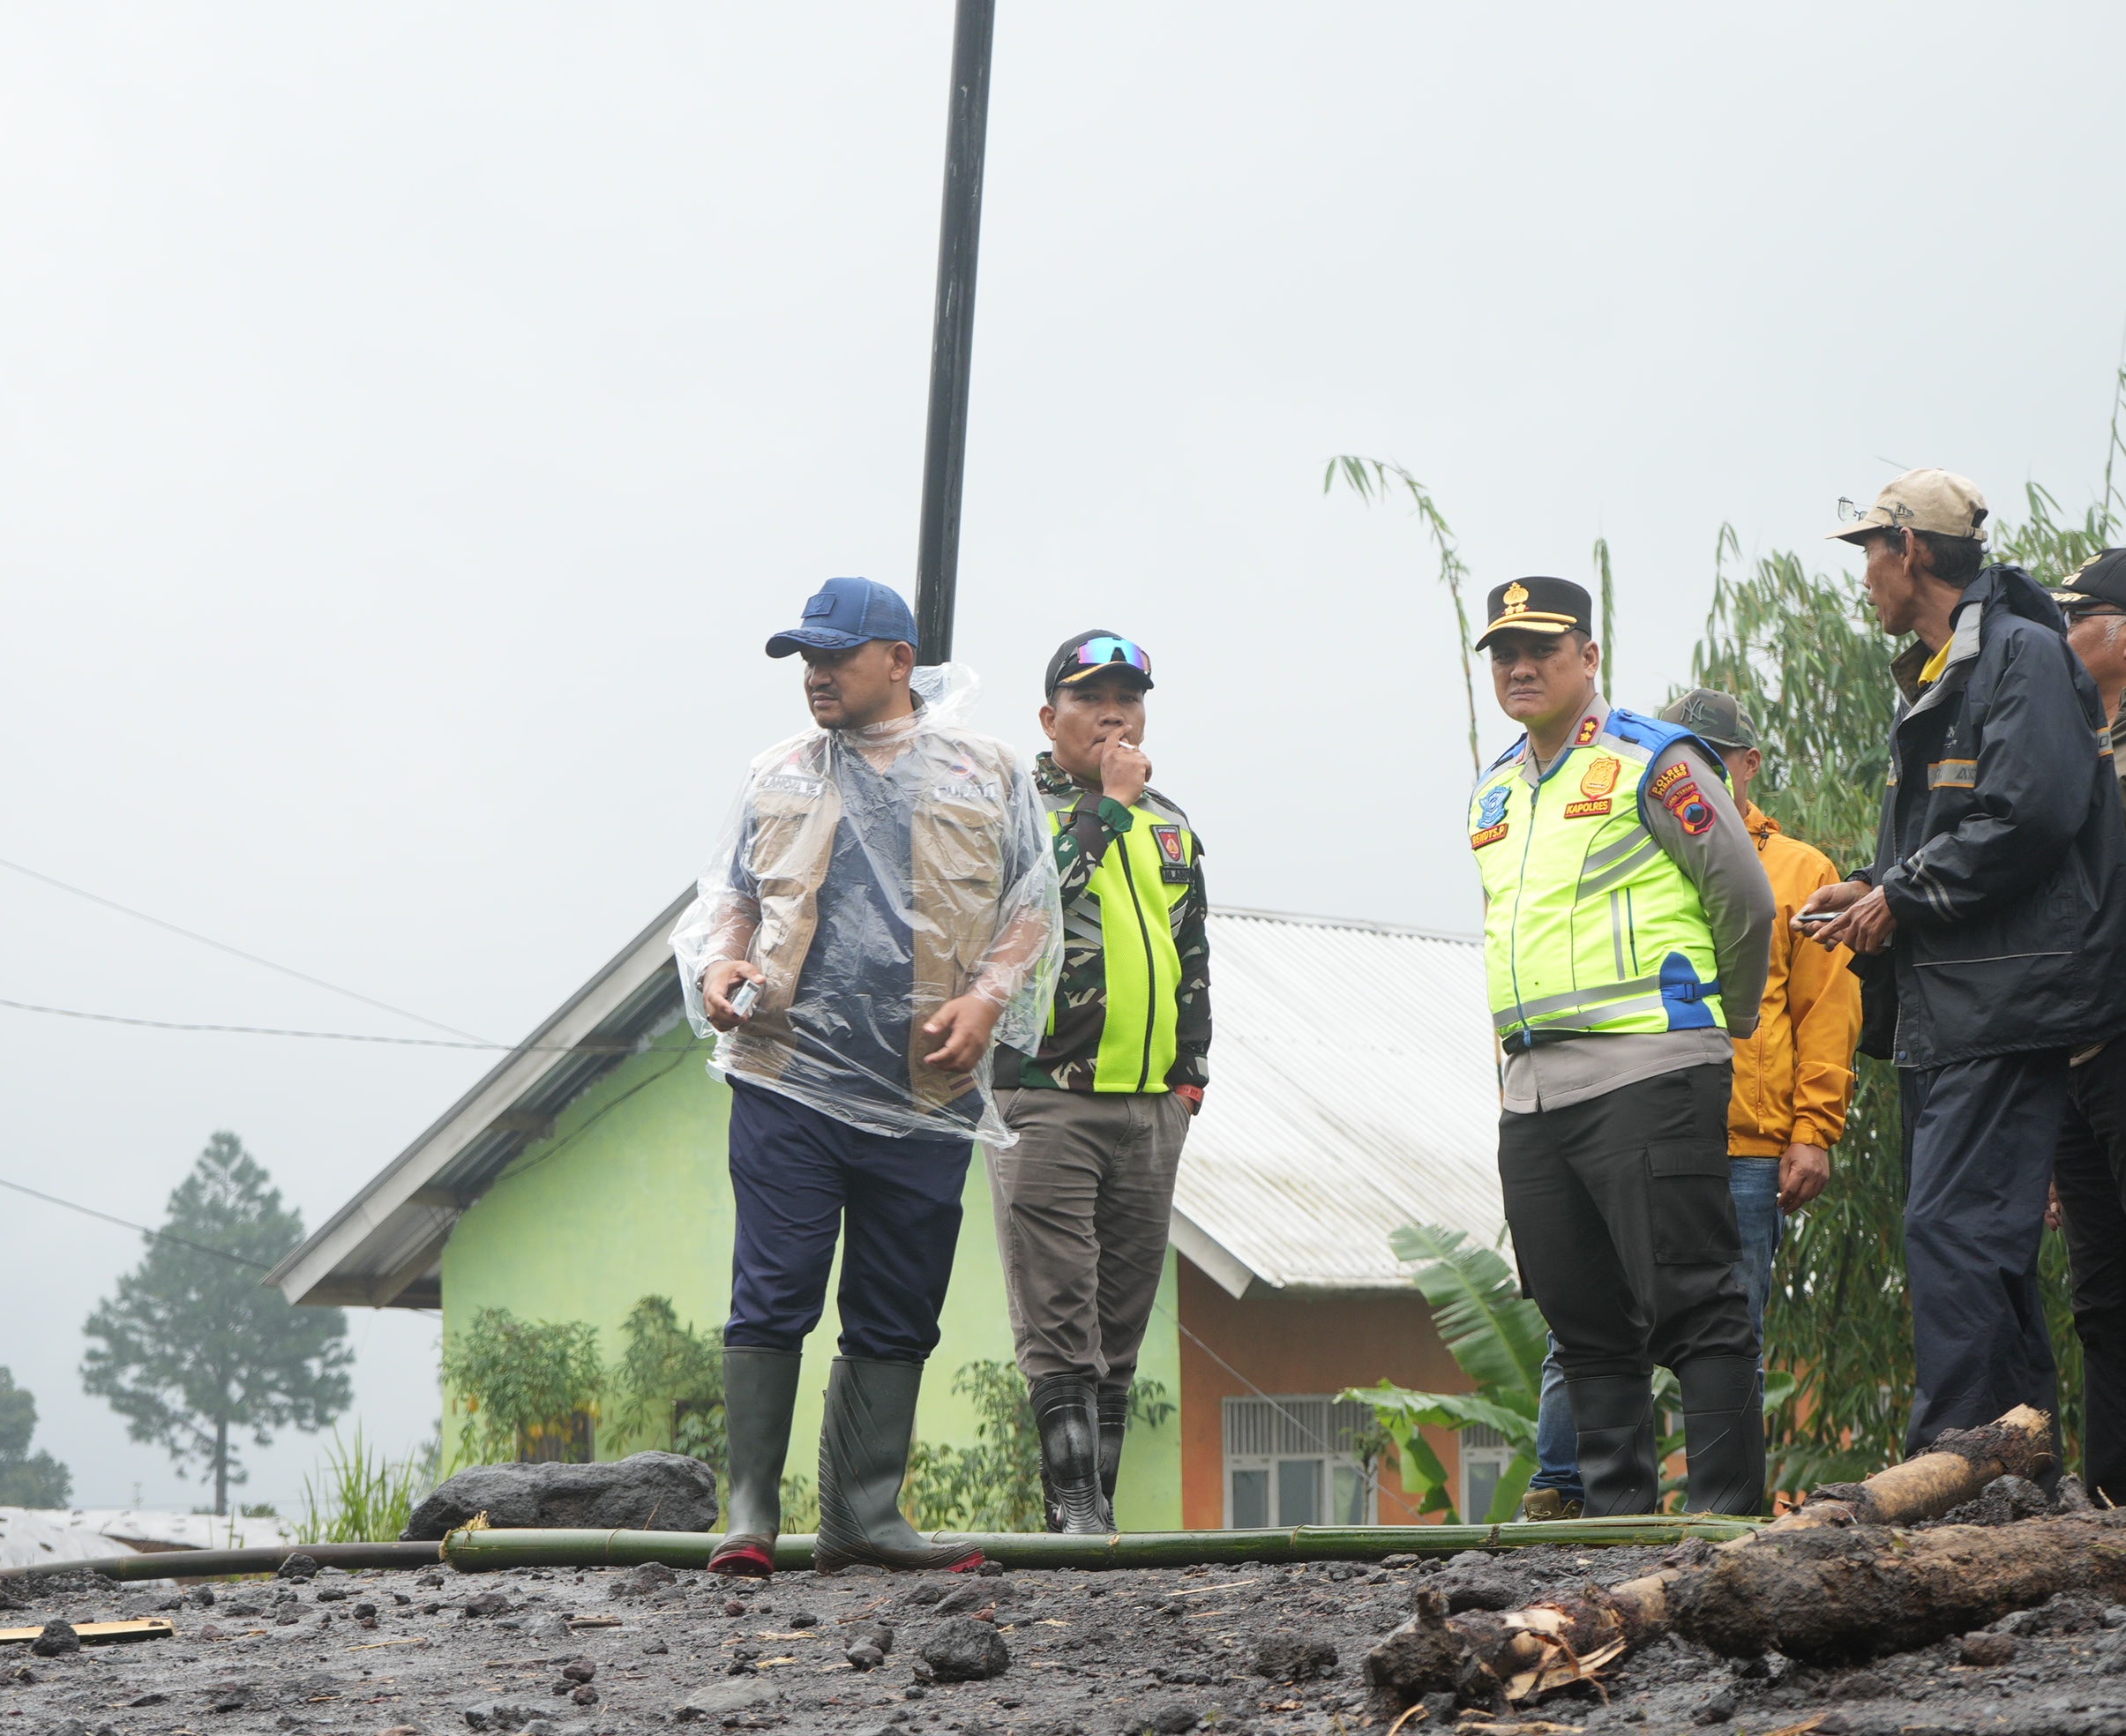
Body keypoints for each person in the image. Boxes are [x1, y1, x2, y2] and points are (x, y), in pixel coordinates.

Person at [670, 577, 1061, 1576]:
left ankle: (865, 1515)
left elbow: (1029, 906)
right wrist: (722, 961)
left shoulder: (987, 772)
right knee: (774, 1290)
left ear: (898, 660)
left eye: (835, 657)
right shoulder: (781, 771)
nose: (816, 676)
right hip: (786, 1074)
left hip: (925, 1082)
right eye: (806, 659)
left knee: (898, 1303)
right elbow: (735, 895)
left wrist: (987, 999)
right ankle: (750, 1513)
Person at [1800, 475, 2126, 1469]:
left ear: (1909, 549)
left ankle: (1956, 1461)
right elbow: (1945, 834)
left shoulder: (2018, 657)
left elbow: (2026, 815)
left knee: (1951, 1230)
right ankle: (2013, 1466)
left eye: (1868, 554)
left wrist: (1898, 898)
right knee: (1976, 1240)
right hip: (1959, 1001)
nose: (1863, 578)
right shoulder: (1949, 668)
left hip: (2005, 995)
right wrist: (1865, 885)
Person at [1471, 577, 1776, 1517]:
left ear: (1588, 658)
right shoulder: (1493, 791)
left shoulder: (1656, 760)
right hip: (1532, 1095)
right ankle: (1616, 1536)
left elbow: (1747, 897)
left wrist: (1717, 1020)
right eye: (1503, 653)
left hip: (1648, 1070)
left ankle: (1726, 1528)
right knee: (1583, 1321)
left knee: (1698, 1307)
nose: (1521, 668)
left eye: (1543, 650)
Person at [1523, 687, 1860, 1521]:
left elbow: (1827, 1014)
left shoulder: (1801, 871)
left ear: (1747, 764)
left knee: (1723, 1323)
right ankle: (1565, 1491)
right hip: (1627, 1116)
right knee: (1588, 1317)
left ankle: (1721, 1511)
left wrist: (1813, 1131)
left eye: (1716, 756)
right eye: (1686, 753)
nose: (1699, 770)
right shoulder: (1629, 839)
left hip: (1741, 1141)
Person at [988, 632, 1211, 1532]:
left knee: (1120, 1320)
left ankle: (1101, 1516)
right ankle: (1071, 1509)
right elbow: (1029, 908)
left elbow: (1191, 958)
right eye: (1091, 699)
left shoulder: (1170, 822)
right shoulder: (1013, 809)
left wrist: (1188, 1083)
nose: (1115, 714)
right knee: (1058, 1315)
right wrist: (1107, 808)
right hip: (1047, 1095)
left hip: (1149, 1106)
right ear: (1050, 719)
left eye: (1129, 698)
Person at [2048, 546, 2126, 1503]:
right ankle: (2111, 1500)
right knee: (2100, 1294)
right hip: (2070, 1043)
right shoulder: (2069, 741)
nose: (2063, 641)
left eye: (2079, 620)